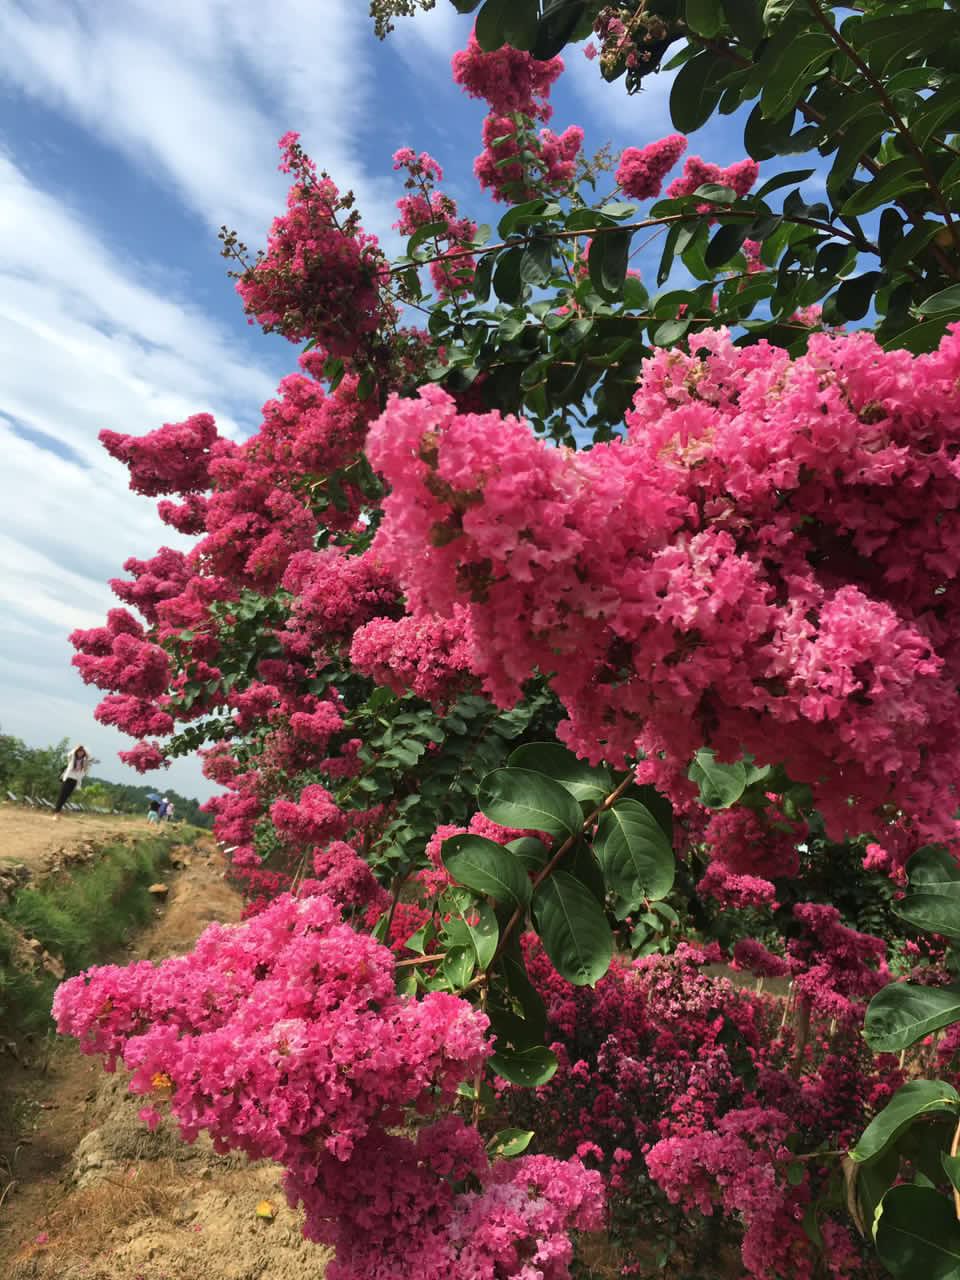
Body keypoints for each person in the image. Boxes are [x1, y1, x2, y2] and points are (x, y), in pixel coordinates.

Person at [53, 745, 93, 819]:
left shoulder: (84, 762)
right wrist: (77, 747)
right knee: (61, 796)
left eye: (82, 752)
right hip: (67, 778)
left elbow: (89, 758)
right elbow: (69, 754)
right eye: (79, 752)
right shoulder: (72, 758)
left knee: (66, 797)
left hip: (75, 781)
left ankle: (58, 812)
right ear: (76, 752)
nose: (80, 753)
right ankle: (56, 813)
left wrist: (84, 750)